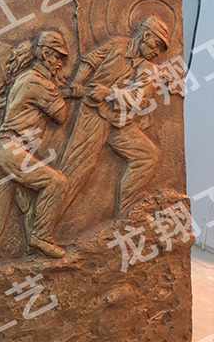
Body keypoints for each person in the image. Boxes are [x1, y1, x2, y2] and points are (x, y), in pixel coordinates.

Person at [57, 16, 169, 219]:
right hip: (94, 114)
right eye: (157, 44)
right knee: (77, 169)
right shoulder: (117, 45)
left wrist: (109, 93)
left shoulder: (148, 69)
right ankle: (42, 225)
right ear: (146, 35)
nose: (157, 52)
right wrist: (77, 83)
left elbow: (139, 99)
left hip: (120, 123)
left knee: (147, 156)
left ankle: (127, 213)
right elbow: (91, 60)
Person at [0, 31, 71, 262]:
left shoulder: (26, 77)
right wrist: (61, 90)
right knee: (57, 183)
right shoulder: (39, 82)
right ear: (45, 54)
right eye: (58, 57)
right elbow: (61, 116)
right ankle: (40, 237)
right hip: (12, 151)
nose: (60, 63)